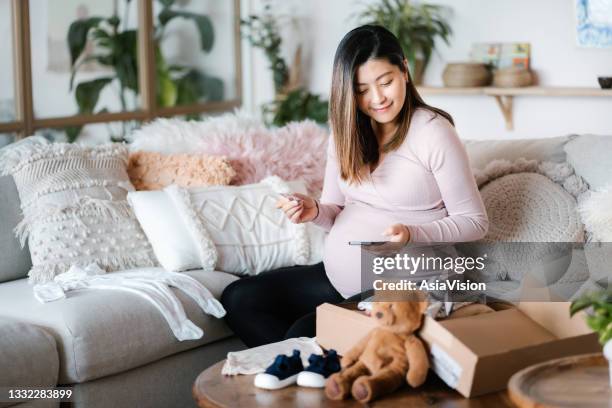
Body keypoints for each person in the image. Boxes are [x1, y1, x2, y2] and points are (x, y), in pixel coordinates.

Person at [221, 25, 488, 348]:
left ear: (404, 69)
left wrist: (412, 234)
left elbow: (475, 222)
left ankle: (313, 367)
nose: (377, 99)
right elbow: (335, 212)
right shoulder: (346, 132)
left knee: (299, 337)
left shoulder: (433, 131)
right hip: (339, 281)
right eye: (362, 90)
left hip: (404, 286)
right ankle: (310, 369)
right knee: (238, 299)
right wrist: (314, 211)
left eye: (386, 82)